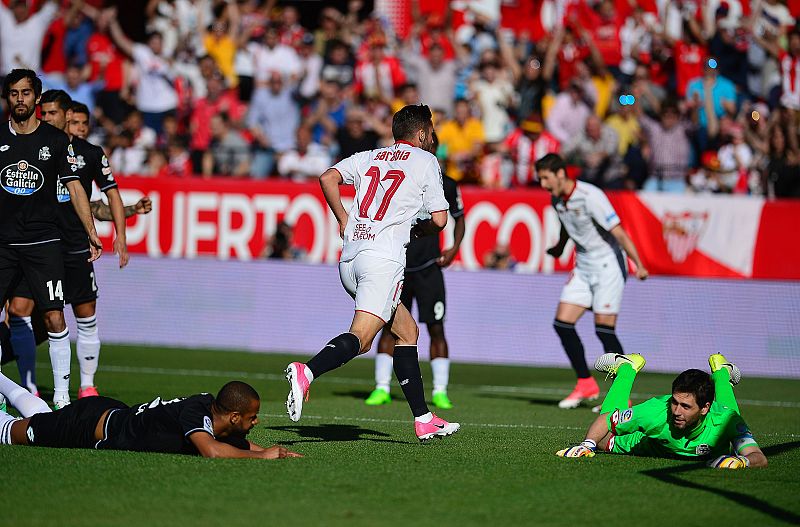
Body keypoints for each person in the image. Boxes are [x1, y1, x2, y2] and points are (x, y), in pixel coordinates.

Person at [284, 104, 460, 442]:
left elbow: (327, 178)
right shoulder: (426, 162)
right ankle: (307, 371)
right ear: (422, 134)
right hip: (383, 262)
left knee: (407, 332)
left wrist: (342, 217)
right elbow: (440, 220)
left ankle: (423, 419)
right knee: (363, 339)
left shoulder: (369, 156)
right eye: (430, 131)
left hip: (350, 259)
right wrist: (418, 230)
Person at [7, 92, 125, 408]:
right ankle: (28, 386)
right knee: (19, 312)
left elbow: (99, 200)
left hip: (72, 249)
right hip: (34, 245)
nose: (45, 118)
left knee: (77, 316)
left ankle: (84, 387)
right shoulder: (28, 147)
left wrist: (114, 234)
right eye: (42, 113)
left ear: (66, 115)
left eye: (52, 113)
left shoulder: (85, 153)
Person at [535, 153, 647, 409]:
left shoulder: (591, 196)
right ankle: (586, 383)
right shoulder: (557, 199)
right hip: (583, 266)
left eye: (545, 178)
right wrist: (560, 246)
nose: (542, 184)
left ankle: (622, 396)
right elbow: (567, 224)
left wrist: (639, 264)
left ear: (561, 174)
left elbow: (618, 231)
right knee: (562, 324)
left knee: (603, 330)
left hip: (608, 266)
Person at [365, 131, 465, 409]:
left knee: (436, 329)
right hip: (398, 264)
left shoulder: (448, 184)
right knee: (387, 328)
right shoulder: (406, 176)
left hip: (429, 267)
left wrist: (455, 248)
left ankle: (441, 391)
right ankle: (382, 387)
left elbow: (459, 219)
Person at [0, 372, 301, 459]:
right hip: (88, 425)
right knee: (13, 434)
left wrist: (277, 453)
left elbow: (232, 443)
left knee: (39, 420)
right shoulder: (196, 414)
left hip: (107, 412)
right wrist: (261, 458)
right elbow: (212, 451)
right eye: (252, 417)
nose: (256, 421)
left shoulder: (211, 412)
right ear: (234, 417)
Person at [556, 352, 768, 470]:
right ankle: (627, 368)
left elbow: (758, 457)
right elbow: (607, 419)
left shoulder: (724, 419)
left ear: (704, 408)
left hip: (719, 415)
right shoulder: (657, 410)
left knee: (728, 411)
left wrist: (742, 461)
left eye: (685, 406)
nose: (676, 410)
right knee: (604, 441)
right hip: (647, 446)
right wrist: (587, 445)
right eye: (675, 402)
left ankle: (721, 373)